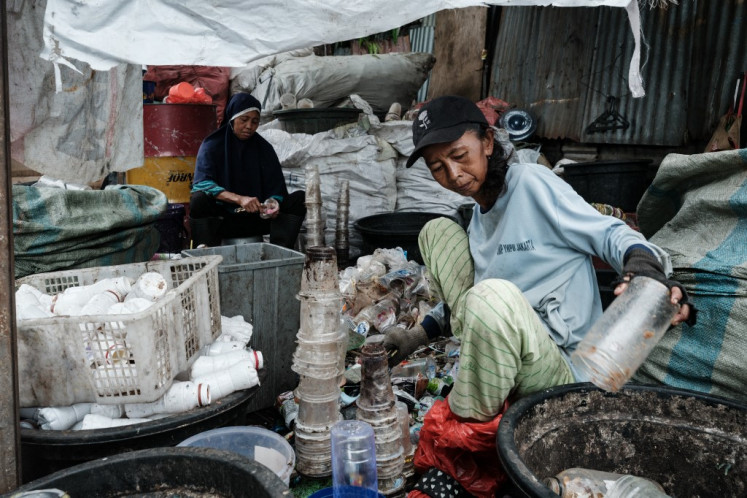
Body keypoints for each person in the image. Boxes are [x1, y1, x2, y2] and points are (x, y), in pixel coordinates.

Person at [385, 96, 696, 495]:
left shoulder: (531, 183)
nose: (454, 174)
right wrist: (420, 334)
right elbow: (475, 291)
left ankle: (468, 441)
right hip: (507, 341)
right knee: (437, 232)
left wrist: (643, 268)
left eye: (460, 156)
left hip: (566, 370)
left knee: (490, 298)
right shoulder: (479, 217)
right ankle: (480, 373)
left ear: (488, 143)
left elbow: (611, 234)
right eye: (438, 167)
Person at [189, 93, 305, 248]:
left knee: (300, 199)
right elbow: (202, 184)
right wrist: (239, 199)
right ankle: (204, 256)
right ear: (232, 118)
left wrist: (272, 203)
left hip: (256, 219)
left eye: (255, 121)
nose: (249, 126)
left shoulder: (264, 149)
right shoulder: (212, 145)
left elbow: (276, 188)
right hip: (222, 221)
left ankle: (280, 251)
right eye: (244, 120)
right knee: (198, 199)